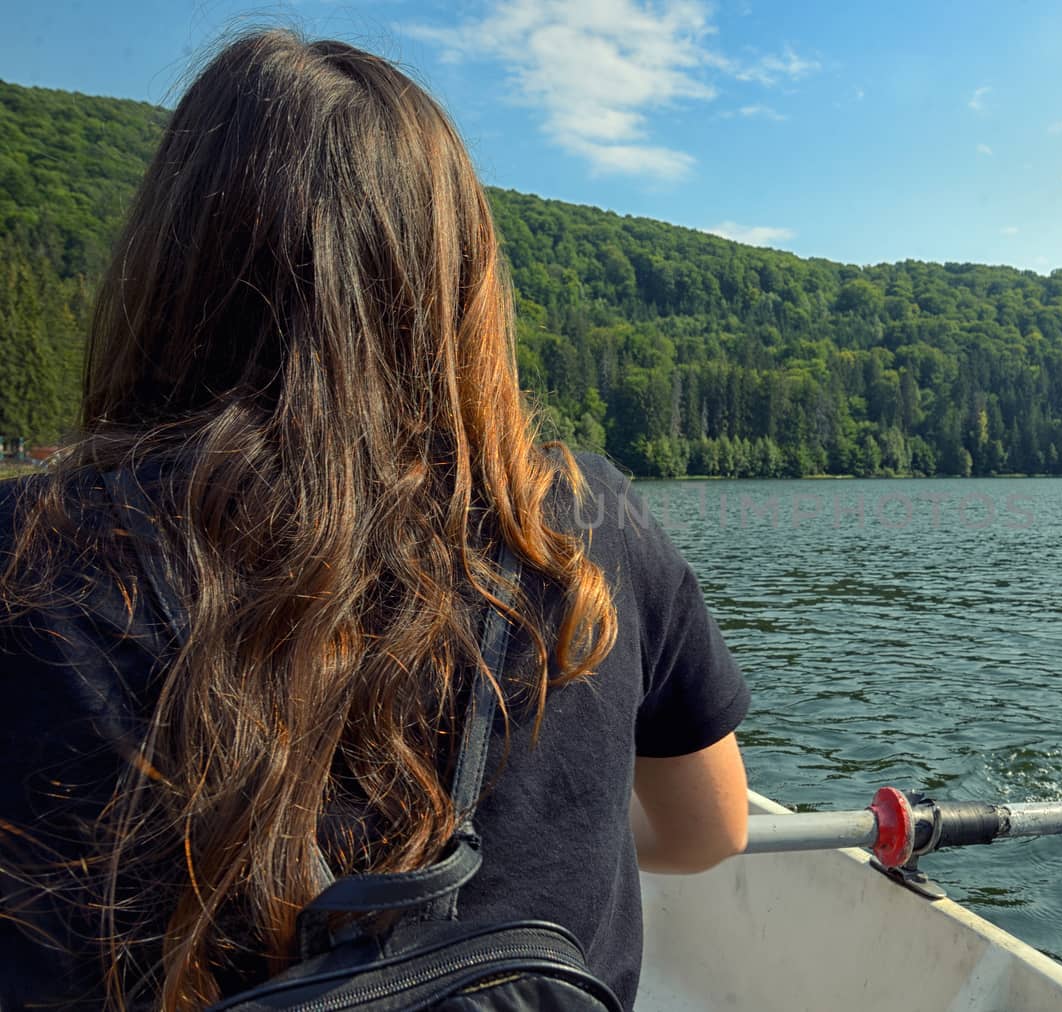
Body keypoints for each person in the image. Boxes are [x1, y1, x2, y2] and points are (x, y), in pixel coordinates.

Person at [0, 30, 749, 1011]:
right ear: (458, 280)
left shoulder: (30, 549)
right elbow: (710, 829)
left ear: (170, 266)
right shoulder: (580, 519)